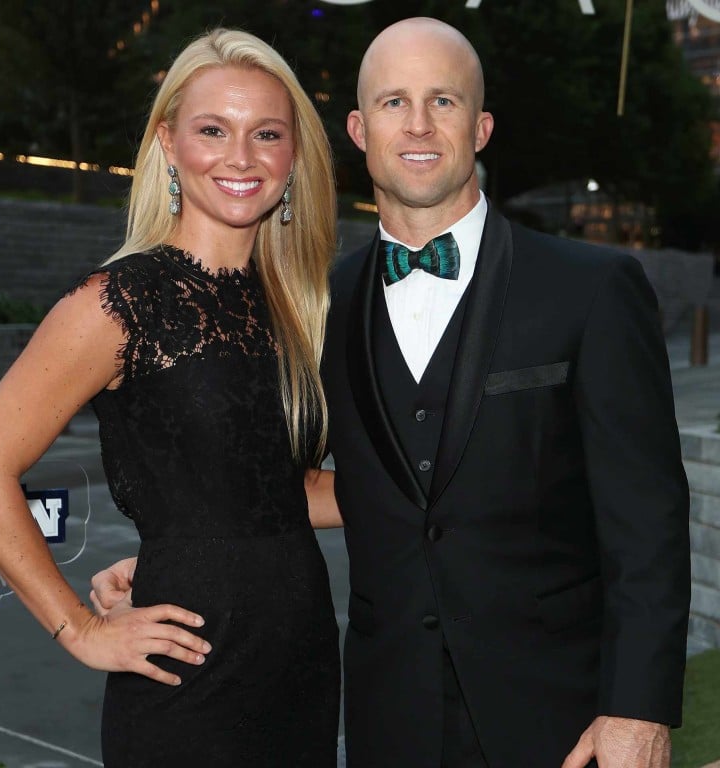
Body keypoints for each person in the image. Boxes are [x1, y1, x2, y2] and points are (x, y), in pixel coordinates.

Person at [93, 17, 691, 768]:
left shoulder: (592, 289)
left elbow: (648, 519)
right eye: (392, 102)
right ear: (357, 128)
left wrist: (638, 708)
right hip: (383, 717)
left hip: (559, 720)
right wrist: (173, 547)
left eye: (443, 101)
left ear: (481, 127)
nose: (416, 124)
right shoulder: (313, 304)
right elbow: (281, 480)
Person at [0, 28, 340, 768]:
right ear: (168, 142)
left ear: (294, 156)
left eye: (267, 134)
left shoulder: (297, 304)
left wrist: (427, 495)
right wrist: (78, 628)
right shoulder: (118, 302)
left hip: (302, 657)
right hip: (188, 673)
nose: (241, 157)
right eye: (212, 130)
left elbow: (282, 493)